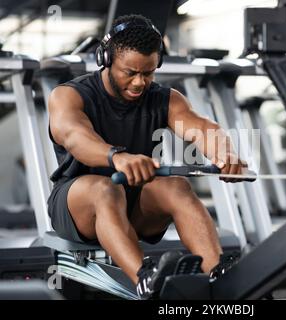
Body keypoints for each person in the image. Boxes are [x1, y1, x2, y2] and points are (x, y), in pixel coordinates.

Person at [47, 14, 246, 299]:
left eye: (148, 73)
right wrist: (116, 157)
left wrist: (225, 153)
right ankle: (145, 279)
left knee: (177, 186)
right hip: (79, 206)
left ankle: (219, 276)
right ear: (106, 60)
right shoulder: (68, 95)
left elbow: (201, 128)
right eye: (130, 72)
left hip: (133, 205)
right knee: (105, 188)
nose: (140, 82)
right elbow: (76, 137)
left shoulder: (165, 98)